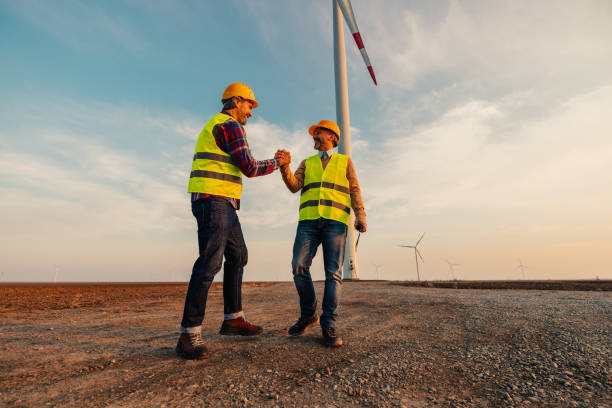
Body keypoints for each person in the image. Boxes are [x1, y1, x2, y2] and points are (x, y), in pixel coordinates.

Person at [176, 83, 290, 359]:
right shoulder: (230, 126)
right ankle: (188, 334)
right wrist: (278, 162)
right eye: (250, 105)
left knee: (238, 255)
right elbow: (249, 167)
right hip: (213, 200)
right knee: (210, 263)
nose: (251, 112)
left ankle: (233, 319)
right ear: (236, 101)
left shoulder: (219, 124)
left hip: (223, 202)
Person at [278, 120, 366, 347]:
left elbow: (354, 189)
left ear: (333, 137)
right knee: (298, 266)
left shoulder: (345, 162)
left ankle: (328, 323)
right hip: (308, 222)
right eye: (314, 133)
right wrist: (284, 167)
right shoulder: (307, 163)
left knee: (333, 274)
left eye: (319, 133)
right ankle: (309, 315)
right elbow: (294, 185)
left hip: (335, 222)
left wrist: (360, 215)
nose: (314, 136)